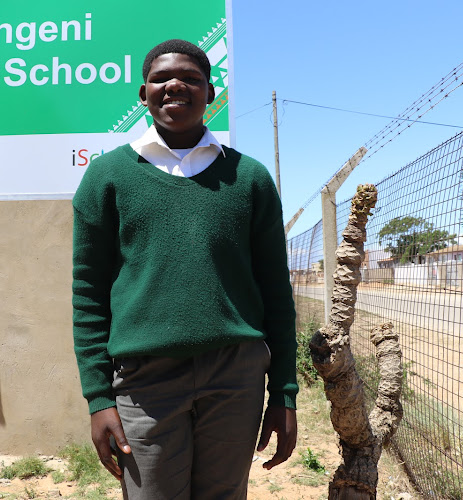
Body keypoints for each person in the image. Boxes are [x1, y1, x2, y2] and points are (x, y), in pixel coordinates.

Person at [72, 39, 298, 499]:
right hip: (145, 380)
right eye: (161, 78)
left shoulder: (248, 179)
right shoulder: (108, 177)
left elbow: (276, 290)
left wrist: (284, 393)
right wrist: (98, 397)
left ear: (211, 93)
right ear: (143, 93)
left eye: (191, 78)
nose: (175, 85)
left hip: (235, 375)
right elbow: (88, 292)